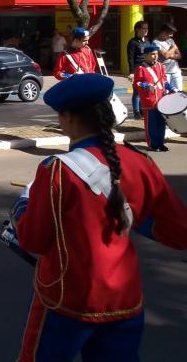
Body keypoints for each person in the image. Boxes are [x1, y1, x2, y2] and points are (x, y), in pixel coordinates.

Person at [10, 73, 187, 361]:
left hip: (67, 297)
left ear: (67, 117)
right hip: (124, 296)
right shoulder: (140, 161)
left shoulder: (56, 171)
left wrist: (22, 206)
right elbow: (179, 231)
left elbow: (33, 239)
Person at [133, 45, 175, 152]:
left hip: (161, 100)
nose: (155, 56)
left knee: (161, 123)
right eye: (152, 54)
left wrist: (170, 88)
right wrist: (146, 86)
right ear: (145, 55)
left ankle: (160, 143)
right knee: (151, 124)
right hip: (149, 100)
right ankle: (153, 144)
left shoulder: (160, 66)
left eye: (156, 54)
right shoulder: (141, 68)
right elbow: (136, 84)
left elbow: (164, 80)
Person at [126, 20, 150, 119]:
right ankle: (136, 112)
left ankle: (142, 110)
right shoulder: (133, 42)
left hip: (147, 68)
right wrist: (131, 72)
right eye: (143, 28)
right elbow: (130, 58)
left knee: (145, 90)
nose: (145, 31)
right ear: (137, 30)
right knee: (137, 91)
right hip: (137, 69)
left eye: (146, 28)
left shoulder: (148, 41)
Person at [153, 23, 182, 91]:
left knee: (179, 92)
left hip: (176, 71)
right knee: (166, 93)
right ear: (163, 32)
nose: (172, 35)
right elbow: (165, 56)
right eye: (170, 33)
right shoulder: (156, 42)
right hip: (164, 72)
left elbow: (179, 55)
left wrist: (169, 54)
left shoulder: (171, 41)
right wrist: (173, 48)